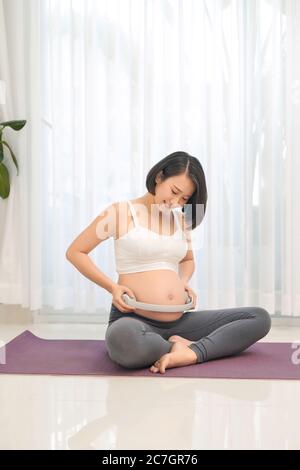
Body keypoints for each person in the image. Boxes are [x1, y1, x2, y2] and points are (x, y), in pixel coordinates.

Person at [66, 151, 271, 374]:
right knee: (123, 339)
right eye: (174, 191)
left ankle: (191, 352)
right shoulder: (120, 212)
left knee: (258, 318)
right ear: (159, 177)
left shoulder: (180, 219)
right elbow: (76, 251)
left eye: (184, 199)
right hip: (133, 319)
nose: (175, 202)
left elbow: (188, 259)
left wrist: (183, 281)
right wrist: (112, 287)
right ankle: (177, 346)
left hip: (179, 320)